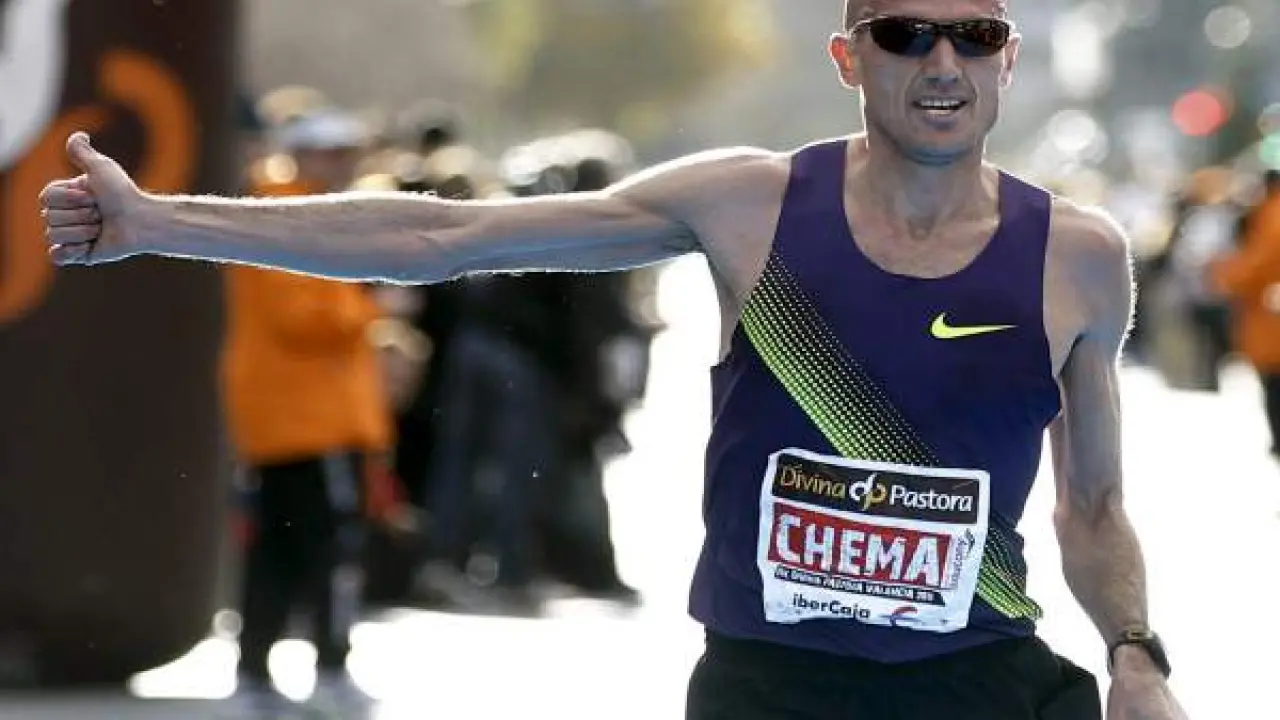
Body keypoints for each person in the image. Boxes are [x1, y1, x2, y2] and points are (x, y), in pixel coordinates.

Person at [39, 1, 1186, 718]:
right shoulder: (748, 207)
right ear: (849, 57)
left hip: (981, 685)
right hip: (770, 688)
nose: (941, 61)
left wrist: (1133, 656)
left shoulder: (1077, 259)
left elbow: (1091, 507)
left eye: (972, 36)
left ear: (1005, 59)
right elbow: (443, 236)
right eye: (904, 34)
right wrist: (161, 221)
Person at [220, 105, 391, 717]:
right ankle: (325, 666)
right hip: (308, 419)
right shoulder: (284, 214)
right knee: (323, 550)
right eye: (330, 152)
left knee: (283, 548)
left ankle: (260, 671)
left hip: (301, 416)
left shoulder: (296, 211)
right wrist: (372, 301)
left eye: (347, 152)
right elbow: (303, 317)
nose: (344, 164)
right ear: (300, 153)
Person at [1210, 170, 1280, 460]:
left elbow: (1257, 266)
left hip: (1271, 323)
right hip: (1267, 320)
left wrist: (1223, 272)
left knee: (1275, 388)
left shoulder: (1272, 215)